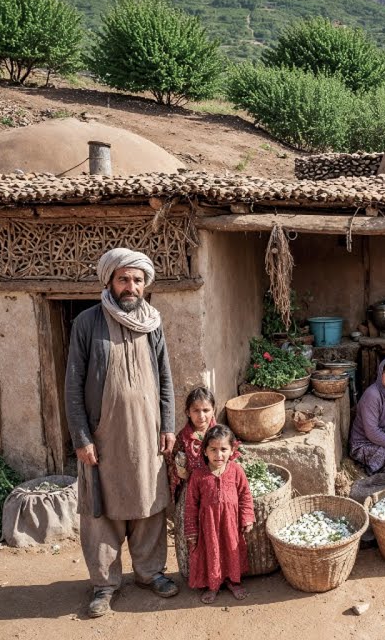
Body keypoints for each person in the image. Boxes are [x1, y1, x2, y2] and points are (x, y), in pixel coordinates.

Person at [65, 247, 178, 618]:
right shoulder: (86, 323)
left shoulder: (153, 323)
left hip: (147, 435)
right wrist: (81, 437)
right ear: (110, 281)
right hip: (103, 438)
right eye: (124, 279)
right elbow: (72, 385)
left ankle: (150, 573)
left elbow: (165, 378)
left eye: (137, 280)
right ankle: (104, 584)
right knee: (103, 511)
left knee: (149, 503)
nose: (131, 287)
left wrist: (169, 425)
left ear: (145, 284)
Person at [185, 424, 254, 603]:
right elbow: (191, 504)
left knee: (232, 550)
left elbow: (245, 495)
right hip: (208, 527)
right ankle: (213, 585)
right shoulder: (198, 475)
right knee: (212, 553)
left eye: (224, 449)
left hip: (231, 525)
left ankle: (234, 581)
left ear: (232, 450)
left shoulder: (236, 471)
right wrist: (192, 530)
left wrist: (247, 518)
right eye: (213, 449)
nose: (219, 454)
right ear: (205, 451)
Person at [169, 386, 218, 580]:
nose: (201, 416)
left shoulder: (219, 434)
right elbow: (174, 467)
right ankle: (194, 575)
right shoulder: (182, 438)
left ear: (213, 409)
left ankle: (216, 574)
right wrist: (180, 467)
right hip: (190, 496)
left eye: (206, 410)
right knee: (190, 534)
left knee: (214, 532)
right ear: (187, 412)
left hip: (215, 495)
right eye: (196, 410)